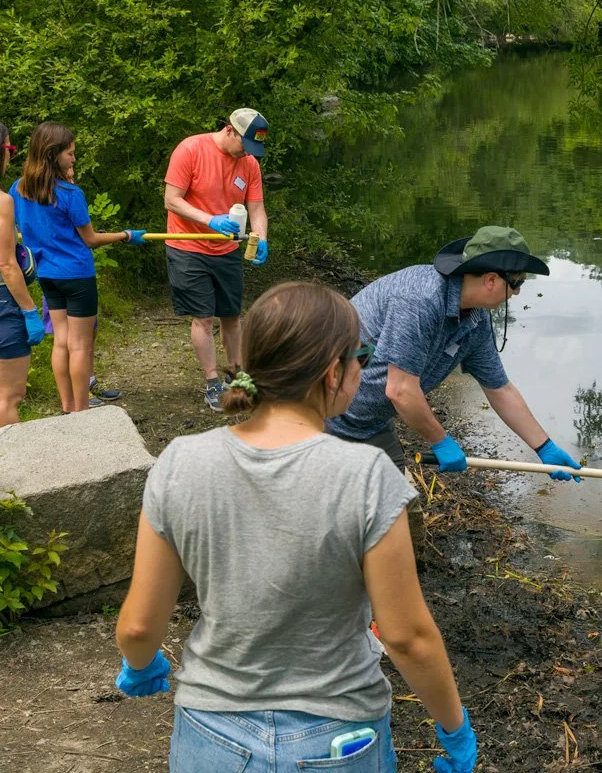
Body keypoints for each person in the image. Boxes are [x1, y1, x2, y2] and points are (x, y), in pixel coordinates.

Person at [113, 282, 477, 773]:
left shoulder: (180, 462)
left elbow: (138, 626)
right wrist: (454, 728)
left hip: (211, 734)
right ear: (333, 372)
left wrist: (141, 665)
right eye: (362, 356)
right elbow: (408, 637)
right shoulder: (368, 476)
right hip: (338, 738)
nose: (363, 368)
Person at [325, 226, 582, 497]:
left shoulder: (476, 321)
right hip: (321, 414)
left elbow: (499, 388)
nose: (517, 293)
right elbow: (400, 390)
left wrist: (544, 447)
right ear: (491, 280)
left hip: (370, 423)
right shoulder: (420, 299)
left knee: (396, 511)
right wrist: (441, 441)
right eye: (516, 283)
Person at [9, 121, 146, 413]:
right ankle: (82, 411)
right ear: (52, 153)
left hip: (45, 274)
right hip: (76, 275)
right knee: (80, 345)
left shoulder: (17, 189)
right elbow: (91, 239)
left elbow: (21, 228)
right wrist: (125, 236)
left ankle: (68, 406)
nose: (73, 158)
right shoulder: (70, 195)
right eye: (69, 153)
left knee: (62, 341)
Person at [163, 108, 270, 411]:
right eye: (244, 145)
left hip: (227, 251)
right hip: (188, 247)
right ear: (229, 131)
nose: (246, 154)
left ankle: (236, 375)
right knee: (203, 317)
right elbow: (172, 199)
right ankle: (212, 382)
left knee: (232, 316)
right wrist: (210, 221)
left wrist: (261, 237)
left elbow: (257, 207)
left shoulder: (248, 164)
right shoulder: (191, 150)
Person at [0, 122, 44, 425]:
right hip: (3, 305)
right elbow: (5, 264)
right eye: (10, 149)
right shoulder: (2, 202)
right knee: (8, 397)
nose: (10, 157)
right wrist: (30, 310)